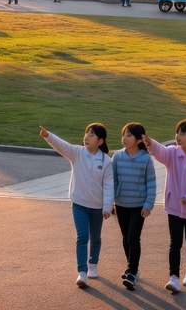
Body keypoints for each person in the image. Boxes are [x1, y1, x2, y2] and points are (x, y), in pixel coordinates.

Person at [40, 123, 113, 288]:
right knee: (82, 238)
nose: (87, 137)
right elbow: (62, 145)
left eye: (92, 134)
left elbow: (109, 185)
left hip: (97, 206)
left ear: (100, 141)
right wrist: (48, 135)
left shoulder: (106, 161)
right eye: (86, 133)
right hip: (79, 203)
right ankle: (82, 272)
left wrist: (107, 207)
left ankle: (93, 264)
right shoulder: (77, 152)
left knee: (95, 237)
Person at [143, 120, 186, 294]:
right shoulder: (173, 153)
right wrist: (151, 143)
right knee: (175, 242)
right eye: (177, 132)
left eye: (182, 133)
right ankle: (173, 276)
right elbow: (161, 152)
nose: (177, 136)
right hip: (174, 206)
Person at [110, 123, 155, 291]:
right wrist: (111, 201)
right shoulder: (117, 157)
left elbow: (151, 184)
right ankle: (132, 266)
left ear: (138, 139)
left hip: (138, 206)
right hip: (122, 204)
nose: (124, 138)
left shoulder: (145, 158)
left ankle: (131, 271)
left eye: (128, 135)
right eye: (123, 135)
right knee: (125, 237)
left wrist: (148, 205)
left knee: (133, 238)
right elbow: (112, 181)